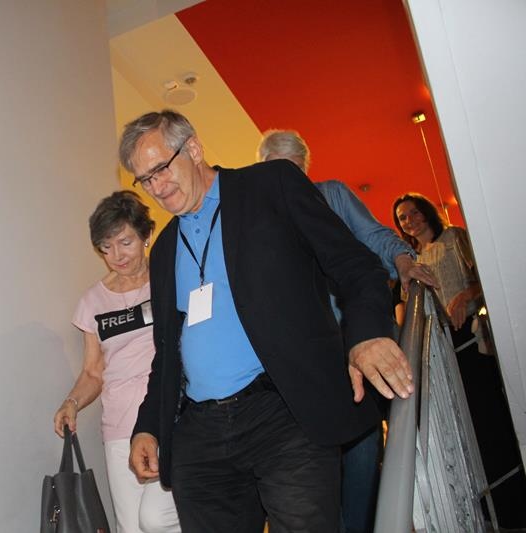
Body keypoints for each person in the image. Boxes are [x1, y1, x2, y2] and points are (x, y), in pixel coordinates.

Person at [120, 109, 415, 533]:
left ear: (194, 148)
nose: (157, 187)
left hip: (284, 412)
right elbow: (166, 352)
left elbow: (356, 265)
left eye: (161, 168)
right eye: (144, 179)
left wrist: (366, 336)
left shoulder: (271, 185)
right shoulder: (165, 248)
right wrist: (148, 426)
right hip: (201, 434)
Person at [259, 130, 437, 533]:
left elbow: (373, 235)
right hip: (300, 362)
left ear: (306, 169)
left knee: (361, 452)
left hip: (353, 345)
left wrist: (403, 260)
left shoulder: (333, 195)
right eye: (276, 171)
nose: (287, 181)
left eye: (294, 170)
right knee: (310, 468)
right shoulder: (260, 219)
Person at [394, 192, 526, 528]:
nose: (410, 220)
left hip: (470, 339)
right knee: (469, 429)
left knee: (492, 416)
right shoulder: (411, 261)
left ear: (426, 211)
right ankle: (497, 511)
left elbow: (487, 276)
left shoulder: (454, 237)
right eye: (402, 218)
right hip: (442, 352)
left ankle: (517, 503)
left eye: (413, 212)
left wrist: (465, 296)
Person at [53, 191, 181, 533]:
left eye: (125, 242)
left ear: (146, 235)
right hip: (119, 428)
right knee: (132, 528)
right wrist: (71, 402)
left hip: (167, 420)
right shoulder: (92, 301)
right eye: (106, 247)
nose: (117, 256)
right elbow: (93, 371)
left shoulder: (170, 282)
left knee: (156, 520)